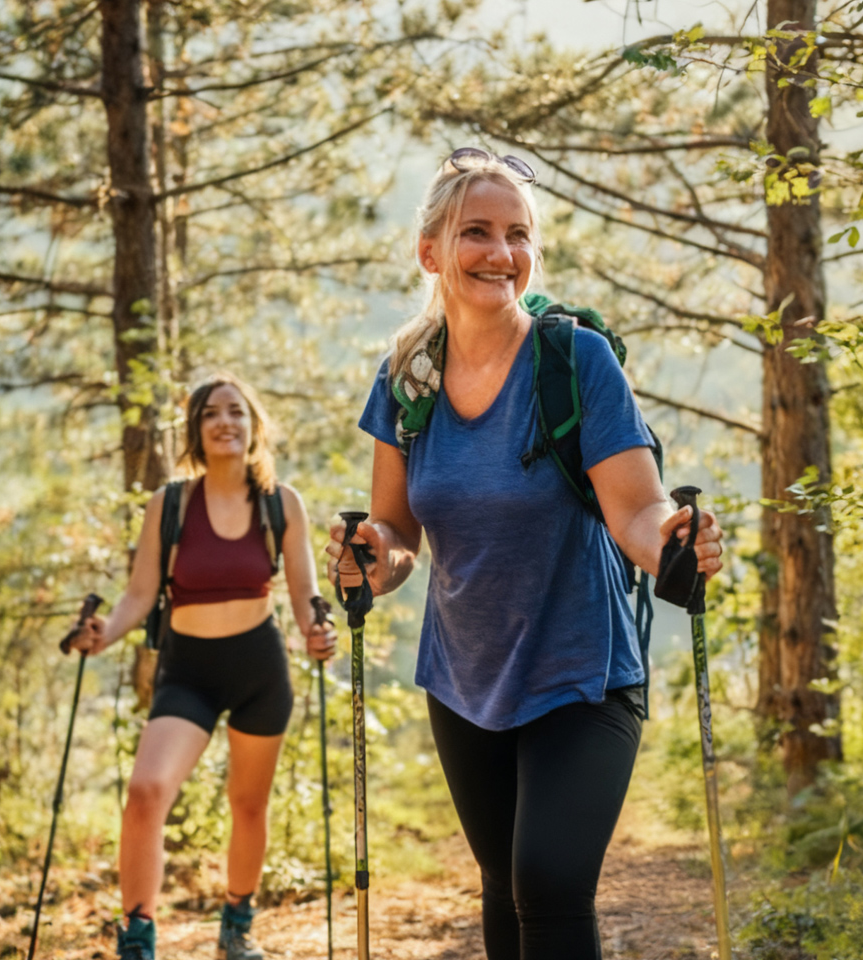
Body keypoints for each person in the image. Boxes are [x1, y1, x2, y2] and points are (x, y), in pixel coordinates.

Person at [323, 148, 727, 960]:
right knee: (504, 882)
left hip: (583, 671)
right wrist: (371, 556)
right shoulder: (406, 377)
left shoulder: (575, 361)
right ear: (431, 251)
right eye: (476, 232)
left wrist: (674, 546)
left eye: (518, 234)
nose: (501, 253)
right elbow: (399, 532)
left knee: (546, 878)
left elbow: (636, 510)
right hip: (465, 678)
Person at [68, 373, 339, 960]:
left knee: (248, 804)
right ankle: (138, 937)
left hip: (259, 670)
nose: (224, 422)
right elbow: (140, 595)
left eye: (236, 411)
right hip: (188, 671)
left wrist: (317, 633)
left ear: (253, 425)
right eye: (211, 413)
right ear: (195, 430)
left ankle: (236, 925)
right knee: (146, 791)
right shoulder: (168, 506)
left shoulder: (281, 503)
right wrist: (102, 635)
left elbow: (303, 596)